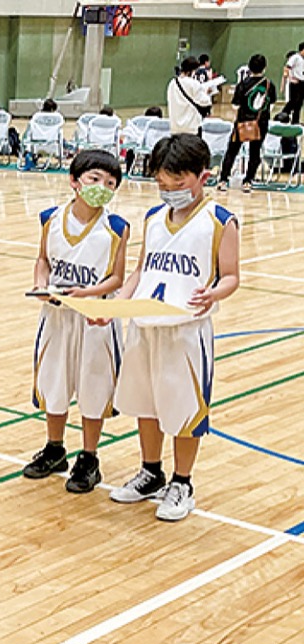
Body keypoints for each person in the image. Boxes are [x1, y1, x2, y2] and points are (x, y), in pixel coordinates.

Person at [109, 134, 240, 521]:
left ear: (203, 176)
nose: (169, 191)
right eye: (162, 184)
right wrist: (119, 304)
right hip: (145, 324)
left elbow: (232, 276)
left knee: (183, 408)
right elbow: (139, 271)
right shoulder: (152, 219)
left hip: (186, 330)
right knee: (146, 404)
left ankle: (182, 482)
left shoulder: (219, 221)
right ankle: (151, 472)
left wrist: (215, 293)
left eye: (178, 184)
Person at [22, 150, 129, 493]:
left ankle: (89, 458)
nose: (102, 187)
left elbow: (117, 278)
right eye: (95, 179)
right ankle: (55, 449)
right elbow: (42, 260)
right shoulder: (51, 218)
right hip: (55, 315)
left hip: (95, 319)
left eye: (110, 183)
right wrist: (40, 285)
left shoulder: (115, 228)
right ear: (74, 180)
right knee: (54, 382)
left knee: (93, 388)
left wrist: (87, 294)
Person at [218, 54, 276, 194]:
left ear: (249, 67)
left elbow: (235, 105)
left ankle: (223, 180)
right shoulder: (269, 84)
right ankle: (248, 181)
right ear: (265, 68)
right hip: (260, 123)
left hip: (242, 123)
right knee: (254, 153)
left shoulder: (243, 84)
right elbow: (272, 104)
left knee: (232, 151)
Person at [167, 57, 212, 134]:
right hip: (191, 128)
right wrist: (206, 92)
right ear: (190, 71)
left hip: (175, 128)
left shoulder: (172, 83)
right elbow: (206, 102)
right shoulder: (193, 83)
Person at [283, 42, 304, 123]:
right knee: (293, 102)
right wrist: (289, 77)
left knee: (299, 104)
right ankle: (282, 115)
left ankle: (295, 121)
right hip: (295, 82)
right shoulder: (295, 57)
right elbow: (287, 67)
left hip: (302, 83)